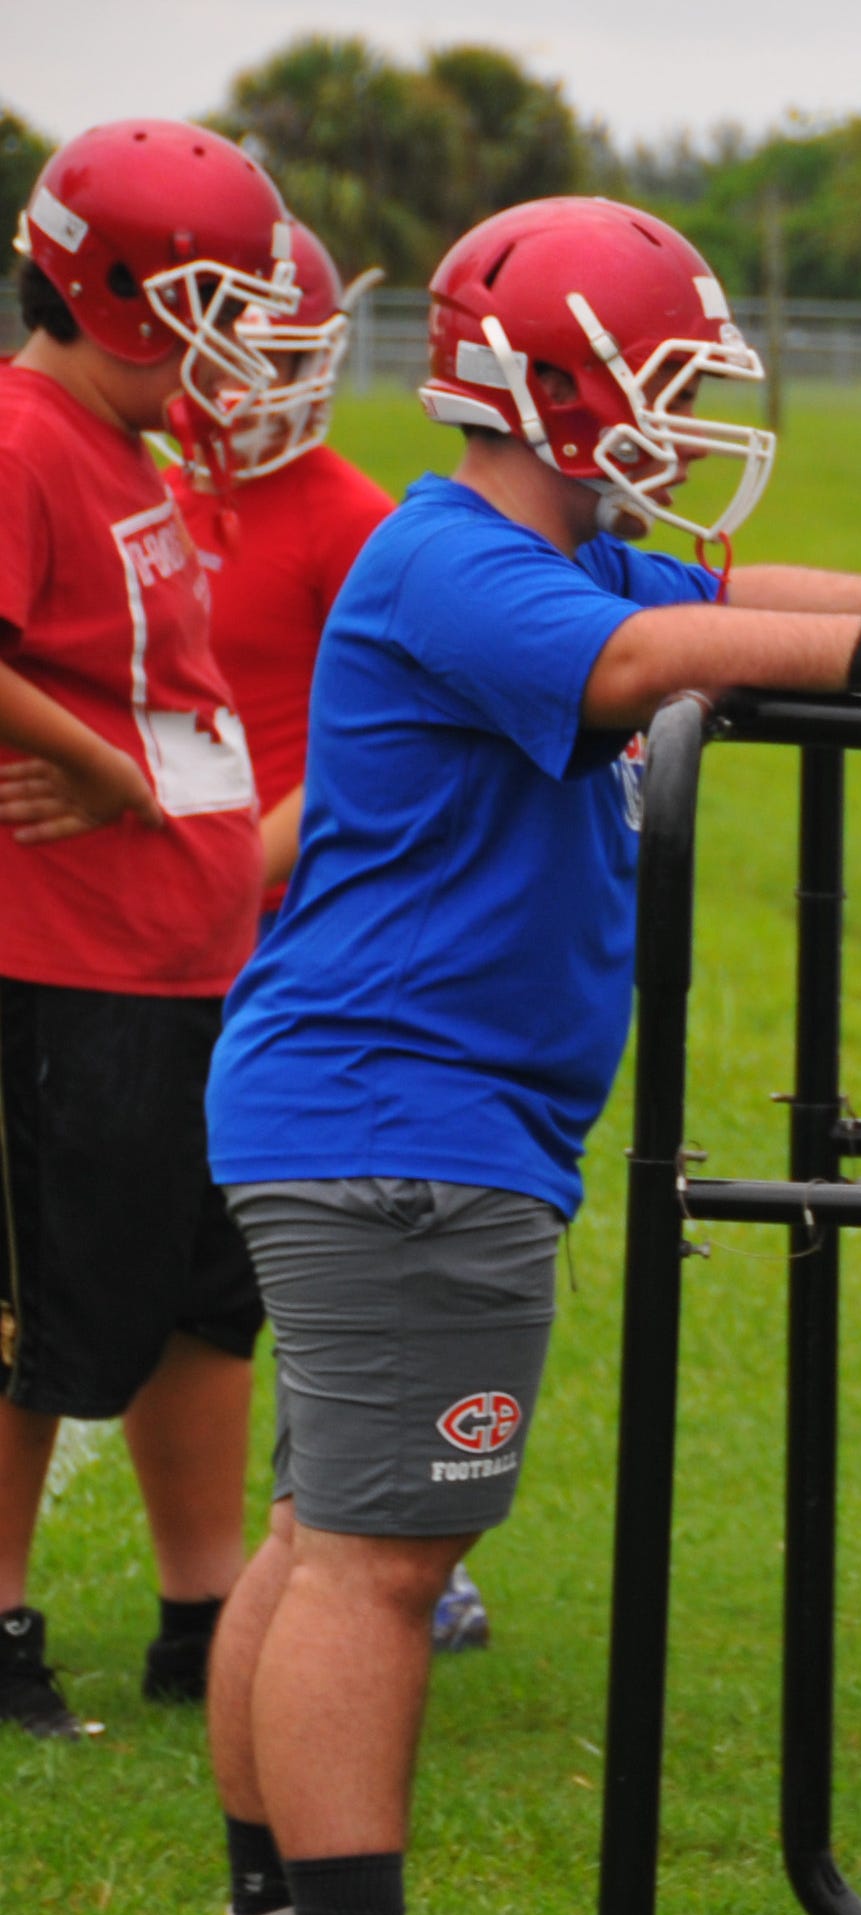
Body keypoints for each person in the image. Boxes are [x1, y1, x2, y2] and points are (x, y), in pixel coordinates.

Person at [193, 194, 861, 1915]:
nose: (687, 427)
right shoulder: (465, 567)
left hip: (378, 1103)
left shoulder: (554, 557)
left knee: (318, 1530)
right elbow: (634, 674)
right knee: (382, 1550)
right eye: (666, 386)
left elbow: (728, 605)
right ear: (558, 389)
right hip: (403, 1122)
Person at [151, 224, 501, 1662]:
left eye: (294, 359)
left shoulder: (354, 515)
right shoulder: (147, 494)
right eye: (249, 354)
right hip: (160, 918)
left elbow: (364, 754)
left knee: (321, 1258)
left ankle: (356, 1526)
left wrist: (234, 865)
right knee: (176, 1254)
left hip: (302, 925)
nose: (264, 389)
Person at [0, 122, 308, 1742]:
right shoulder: (23, 433)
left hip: (186, 955)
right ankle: (2, 1628)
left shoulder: (146, 448)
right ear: (102, 287)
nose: (234, 332)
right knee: (43, 1317)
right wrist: (96, 766)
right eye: (206, 297)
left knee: (200, 1296)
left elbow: (172, 698)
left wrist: (148, 772)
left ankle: (200, 1616)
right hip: (63, 960)